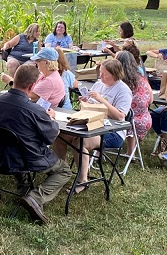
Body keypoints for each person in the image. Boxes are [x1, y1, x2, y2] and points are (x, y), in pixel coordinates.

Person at [0, 66, 73, 224]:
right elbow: (51, 136)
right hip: (26, 160)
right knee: (64, 170)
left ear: (14, 80)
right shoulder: (34, 110)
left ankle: (23, 186)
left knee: (16, 144)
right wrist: (51, 119)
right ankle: (35, 197)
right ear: (32, 87)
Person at [53, 59, 132, 193]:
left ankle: (83, 181)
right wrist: (86, 100)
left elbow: (120, 116)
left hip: (112, 131)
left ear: (115, 74)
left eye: (104, 74)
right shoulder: (99, 84)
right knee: (60, 135)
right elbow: (92, 105)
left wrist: (102, 100)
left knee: (80, 141)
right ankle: (61, 171)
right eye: (100, 73)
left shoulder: (123, 90)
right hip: (91, 123)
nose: (101, 76)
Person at [116, 51, 152, 148]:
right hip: (145, 121)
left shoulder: (119, 83)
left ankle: (98, 150)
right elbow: (151, 100)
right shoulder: (142, 78)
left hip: (123, 121)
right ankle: (131, 152)